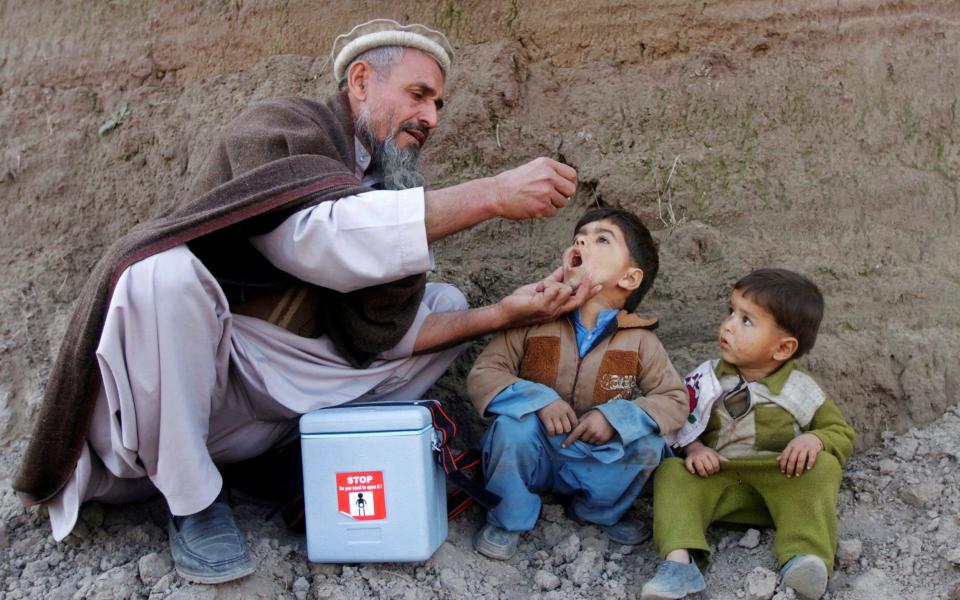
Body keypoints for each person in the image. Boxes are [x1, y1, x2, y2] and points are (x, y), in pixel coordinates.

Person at [13, 19, 599, 584]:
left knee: (442, 301)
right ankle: (194, 502)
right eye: (419, 95)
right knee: (158, 275)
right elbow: (317, 240)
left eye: (439, 105)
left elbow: (381, 333)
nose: (430, 117)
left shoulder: (385, 181)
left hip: (273, 396)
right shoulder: (283, 128)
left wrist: (507, 314)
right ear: (362, 81)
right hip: (192, 375)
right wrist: (491, 193)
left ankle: (296, 461)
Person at [466, 207, 690, 560]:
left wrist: (614, 417)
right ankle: (509, 517)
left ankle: (598, 513)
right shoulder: (533, 320)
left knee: (648, 444)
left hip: (594, 458)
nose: (583, 241)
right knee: (511, 430)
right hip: (537, 449)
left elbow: (674, 399)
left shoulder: (641, 340)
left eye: (602, 239)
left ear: (630, 279)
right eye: (578, 238)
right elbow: (485, 373)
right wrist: (538, 400)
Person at [640, 269, 856, 600]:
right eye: (731, 312)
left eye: (746, 321)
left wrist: (815, 439)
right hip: (718, 481)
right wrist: (695, 449)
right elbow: (679, 420)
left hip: (779, 483)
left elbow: (840, 432)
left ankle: (803, 557)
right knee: (671, 473)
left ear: (783, 348)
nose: (728, 324)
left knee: (824, 467)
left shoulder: (801, 389)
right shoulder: (707, 378)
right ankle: (679, 563)